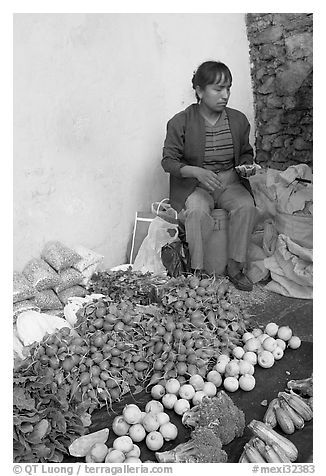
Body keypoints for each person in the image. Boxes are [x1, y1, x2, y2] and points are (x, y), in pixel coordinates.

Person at [161, 60, 257, 291]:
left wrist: (247, 166)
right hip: (196, 185)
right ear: (199, 90)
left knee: (246, 206)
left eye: (228, 88)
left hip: (229, 182)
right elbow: (168, 161)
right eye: (218, 89)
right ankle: (198, 271)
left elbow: (245, 153)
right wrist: (196, 172)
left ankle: (235, 267)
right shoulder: (180, 122)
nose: (225, 95)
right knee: (196, 210)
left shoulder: (238, 120)